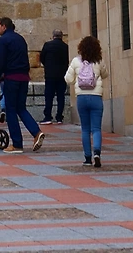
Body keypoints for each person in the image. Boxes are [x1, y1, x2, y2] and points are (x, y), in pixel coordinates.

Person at [0, 16, 44, 152]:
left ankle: (17, 144)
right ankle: (36, 132)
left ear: (4, 26)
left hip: (11, 78)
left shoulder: (2, 41)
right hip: (23, 77)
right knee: (21, 108)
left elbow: (0, 62)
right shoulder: (21, 39)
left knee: (10, 109)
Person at [66, 34, 106, 168]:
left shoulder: (76, 61)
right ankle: (97, 153)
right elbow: (105, 74)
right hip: (96, 97)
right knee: (96, 128)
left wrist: (77, 80)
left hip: (81, 97)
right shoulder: (99, 61)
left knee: (85, 129)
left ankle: (88, 158)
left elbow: (68, 79)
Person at [39, 29, 69, 125]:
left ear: (53, 36)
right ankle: (59, 117)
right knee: (61, 96)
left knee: (49, 96)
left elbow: (42, 58)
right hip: (62, 75)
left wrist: (48, 66)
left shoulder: (47, 45)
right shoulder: (66, 47)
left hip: (50, 75)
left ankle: (48, 116)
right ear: (62, 36)